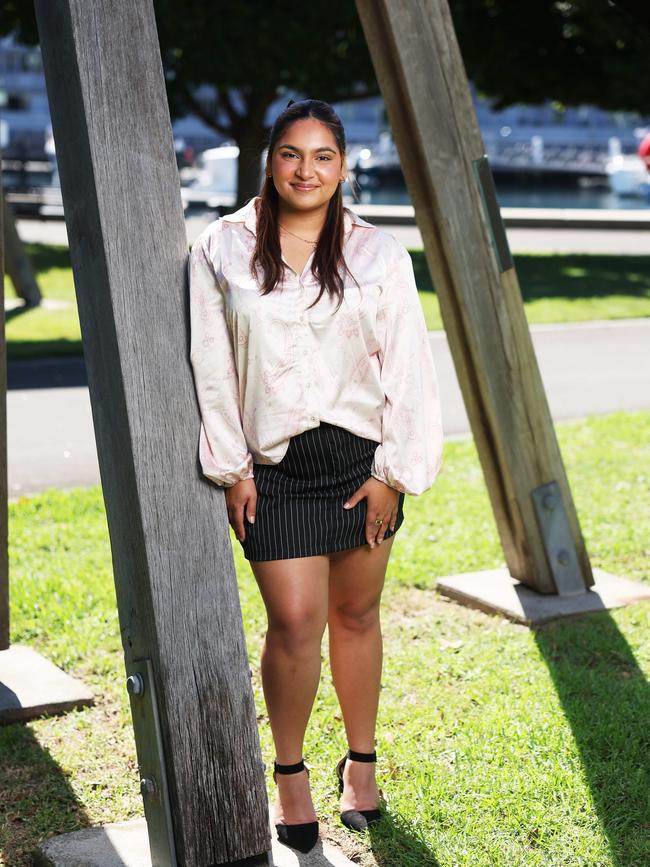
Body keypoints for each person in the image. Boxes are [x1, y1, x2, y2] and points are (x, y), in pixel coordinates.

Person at [188, 98, 443, 853]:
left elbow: (410, 371)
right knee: (295, 622)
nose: (307, 170)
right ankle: (290, 773)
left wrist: (393, 474)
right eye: (292, 154)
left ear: (343, 165)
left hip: (360, 465)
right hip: (277, 468)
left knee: (357, 616)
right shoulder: (221, 248)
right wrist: (233, 467)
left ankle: (361, 764)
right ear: (271, 159)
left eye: (324, 155)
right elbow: (212, 366)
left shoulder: (377, 254)